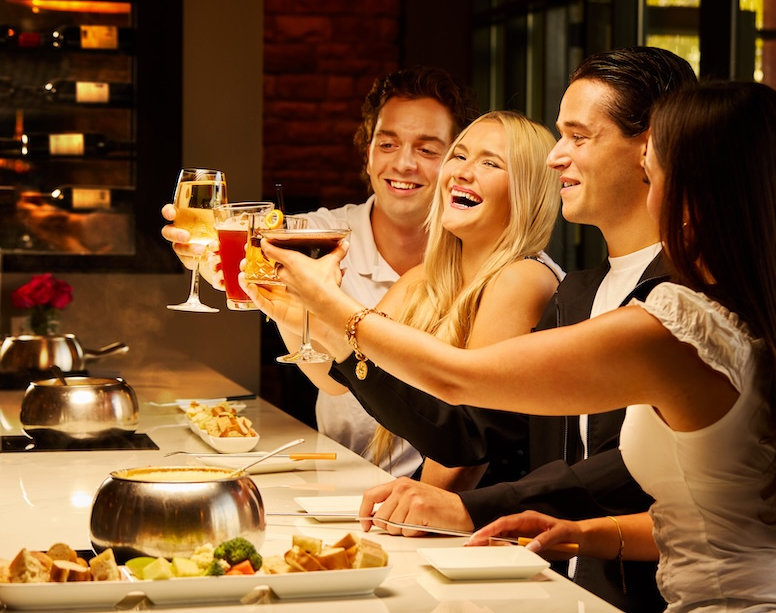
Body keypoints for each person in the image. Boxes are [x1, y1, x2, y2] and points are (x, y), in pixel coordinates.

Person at [251, 81, 776, 611]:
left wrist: (329, 303)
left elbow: (460, 381)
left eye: (653, 174)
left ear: (692, 196)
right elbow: (737, 519)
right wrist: (583, 533)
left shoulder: (679, 327)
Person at [326, 46, 697, 612]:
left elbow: (627, 470)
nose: (556, 157)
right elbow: (474, 432)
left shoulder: (682, 296)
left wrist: (331, 312)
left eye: (578, 136)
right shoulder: (578, 290)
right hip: (556, 580)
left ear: (647, 147)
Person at [161, 67, 477, 477]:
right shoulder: (318, 235)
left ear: (458, 163)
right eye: (387, 143)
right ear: (367, 151)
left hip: (434, 496)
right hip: (337, 479)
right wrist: (201, 258)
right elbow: (251, 248)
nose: (403, 163)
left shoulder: (484, 262)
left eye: (428, 150)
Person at [254, 110, 563, 490]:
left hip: (489, 530)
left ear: (528, 189)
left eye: (490, 162)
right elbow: (342, 380)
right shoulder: (423, 280)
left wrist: (406, 519)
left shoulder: (523, 278)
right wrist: (289, 309)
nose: (463, 172)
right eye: (460, 156)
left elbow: (466, 442)